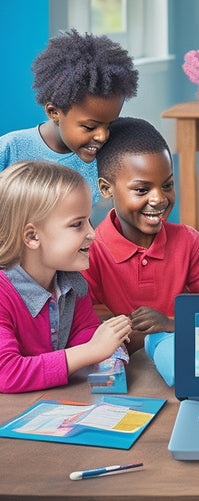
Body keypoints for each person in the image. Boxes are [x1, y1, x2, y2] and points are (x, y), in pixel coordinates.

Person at [82, 117, 199, 355]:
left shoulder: (189, 241)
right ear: (106, 189)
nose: (159, 199)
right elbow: (81, 328)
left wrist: (170, 325)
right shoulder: (90, 250)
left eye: (167, 185)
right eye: (142, 190)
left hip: (176, 343)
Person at [0, 161, 132, 394]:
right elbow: (7, 373)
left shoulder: (71, 281)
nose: (92, 233)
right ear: (32, 236)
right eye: (77, 224)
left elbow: (83, 330)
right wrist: (93, 350)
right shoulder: (3, 294)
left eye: (89, 221)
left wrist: (109, 340)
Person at [0, 29, 138, 205]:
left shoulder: (105, 160)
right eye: (90, 127)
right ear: (53, 112)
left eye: (109, 125)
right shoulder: (10, 150)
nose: (102, 136)